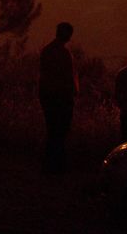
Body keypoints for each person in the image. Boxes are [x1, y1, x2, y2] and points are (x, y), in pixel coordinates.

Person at [38, 22, 77, 173]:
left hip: (48, 96)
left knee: (52, 130)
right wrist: (71, 96)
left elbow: (43, 76)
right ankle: (57, 165)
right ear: (67, 35)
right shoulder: (64, 53)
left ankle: (50, 164)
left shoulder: (46, 51)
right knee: (60, 131)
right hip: (61, 98)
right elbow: (67, 78)